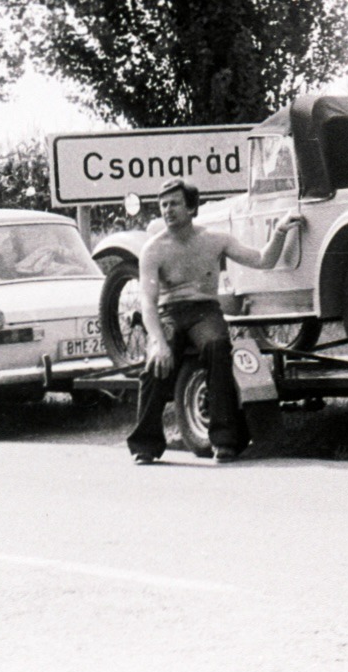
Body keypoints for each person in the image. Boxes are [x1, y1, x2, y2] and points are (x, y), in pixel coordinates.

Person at [127, 177, 302, 464]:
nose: (168, 211)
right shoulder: (153, 249)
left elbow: (262, 260)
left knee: (218, 347)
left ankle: (224, 441)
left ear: (191, 207)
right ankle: (145, 445)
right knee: (155, 363)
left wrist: (281, 231)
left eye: (174, 204)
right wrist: (157, 341)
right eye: (163, 205)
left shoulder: (215, 240)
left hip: (205, 311)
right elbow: (147, 300)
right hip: (168, 311)